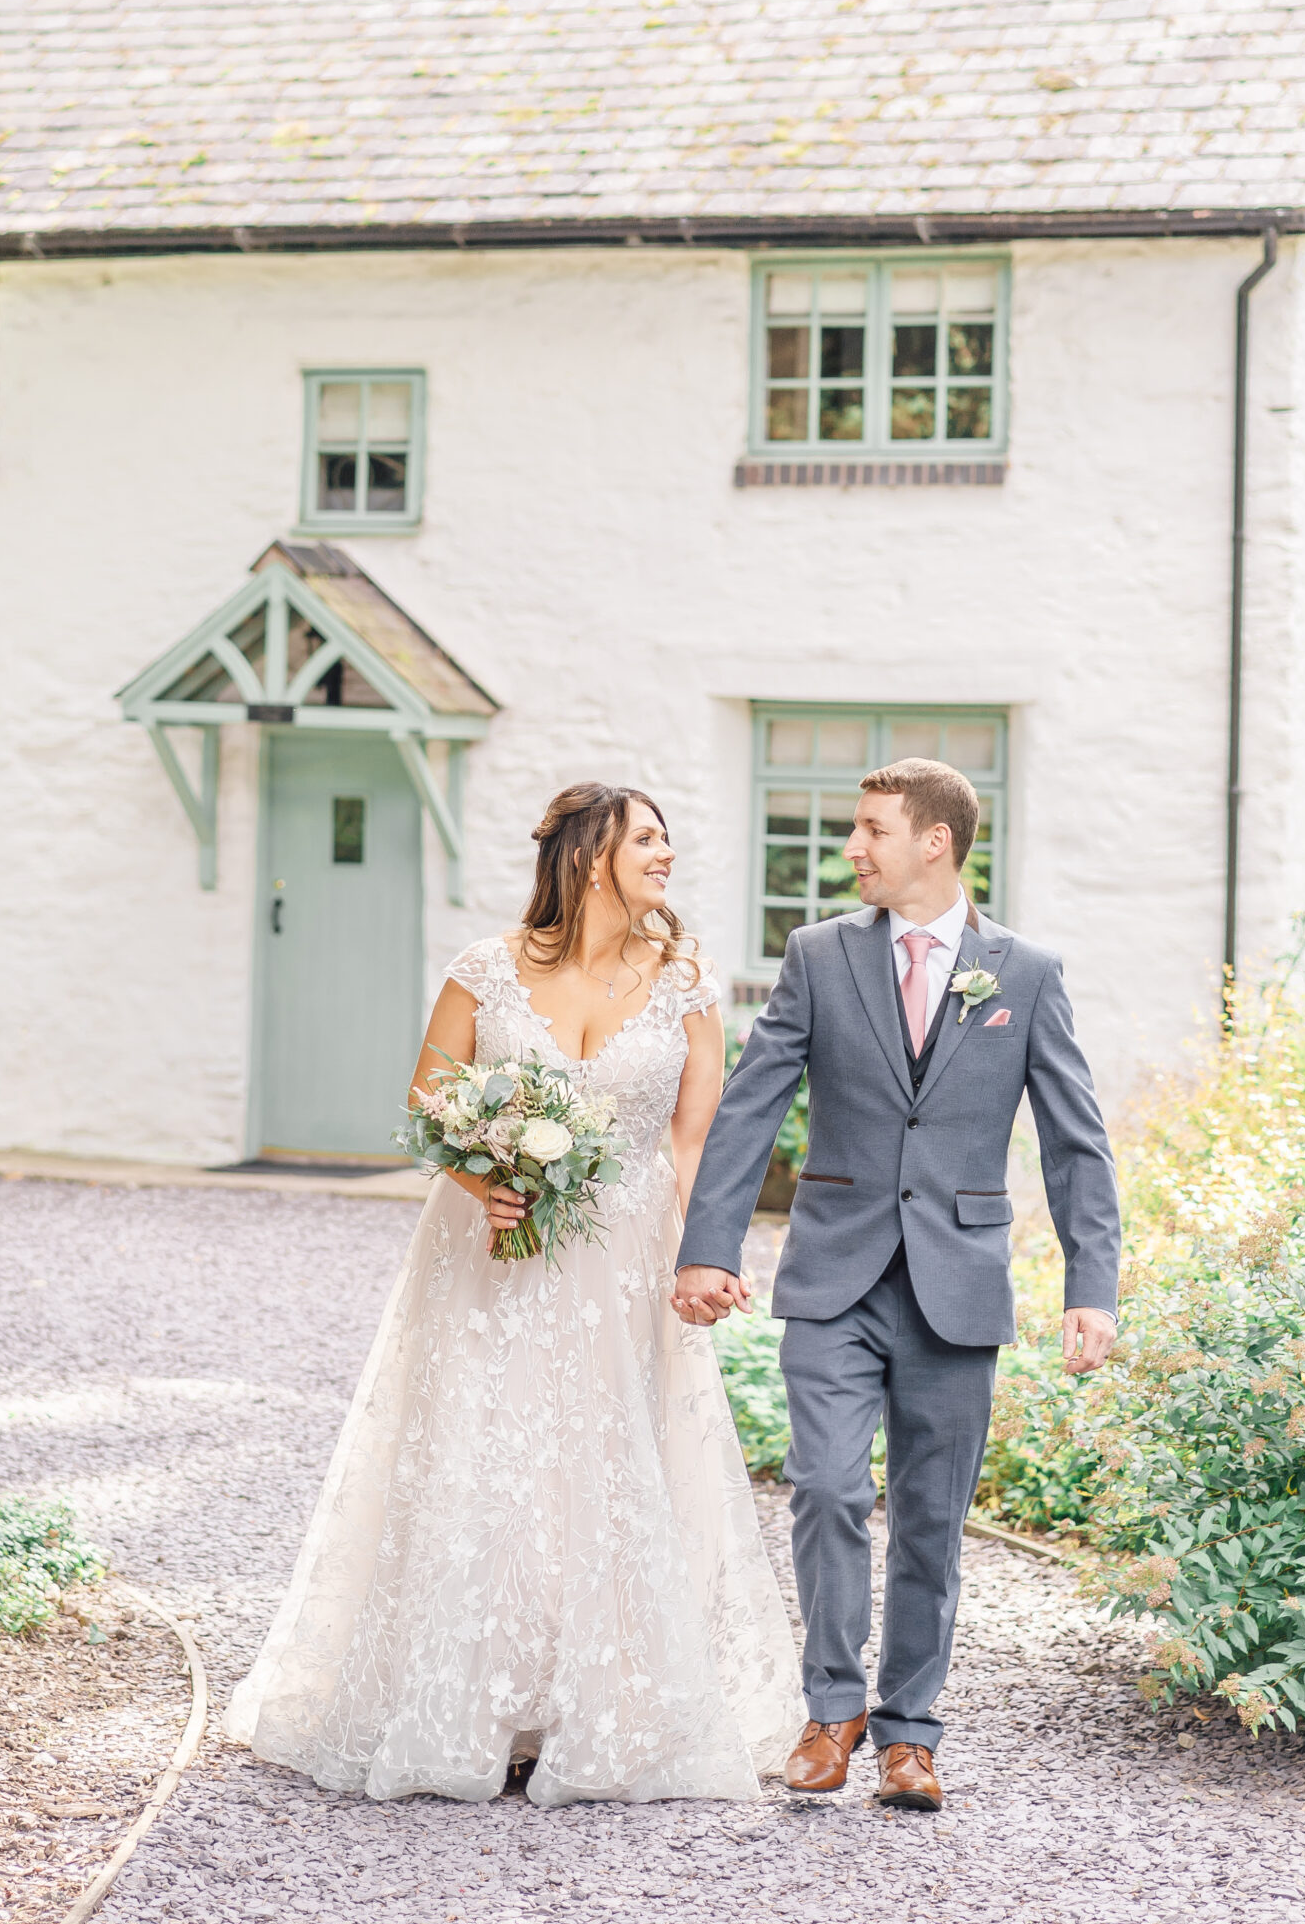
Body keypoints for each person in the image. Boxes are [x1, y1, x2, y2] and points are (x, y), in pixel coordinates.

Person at [227, 781, 803, 1805]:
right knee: (487, 1453)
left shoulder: (687, 982)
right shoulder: (486, 971)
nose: (667, 856)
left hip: (623, 1257)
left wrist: (699, 1254)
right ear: (591, 857)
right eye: (649, 840)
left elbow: (692, 1140)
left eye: (668, 840)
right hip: (487, 1258)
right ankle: (474, 1705)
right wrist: (484, 1178)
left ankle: (598, 1709)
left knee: (607, 1460)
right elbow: (429, 1099)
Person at [673, 757, 1120, 1813]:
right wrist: (711, 1246)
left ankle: (911, 1734)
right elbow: (750, 1104)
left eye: (873, 829)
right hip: (835, 1272)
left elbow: (1077, 1143)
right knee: (826, 1486)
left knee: (931, 1519)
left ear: (935, 841)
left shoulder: (1026, 973)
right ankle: (831, 1712)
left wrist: (1088, 1284)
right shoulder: (820, 956)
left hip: (957, 1286)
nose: (853, 849)